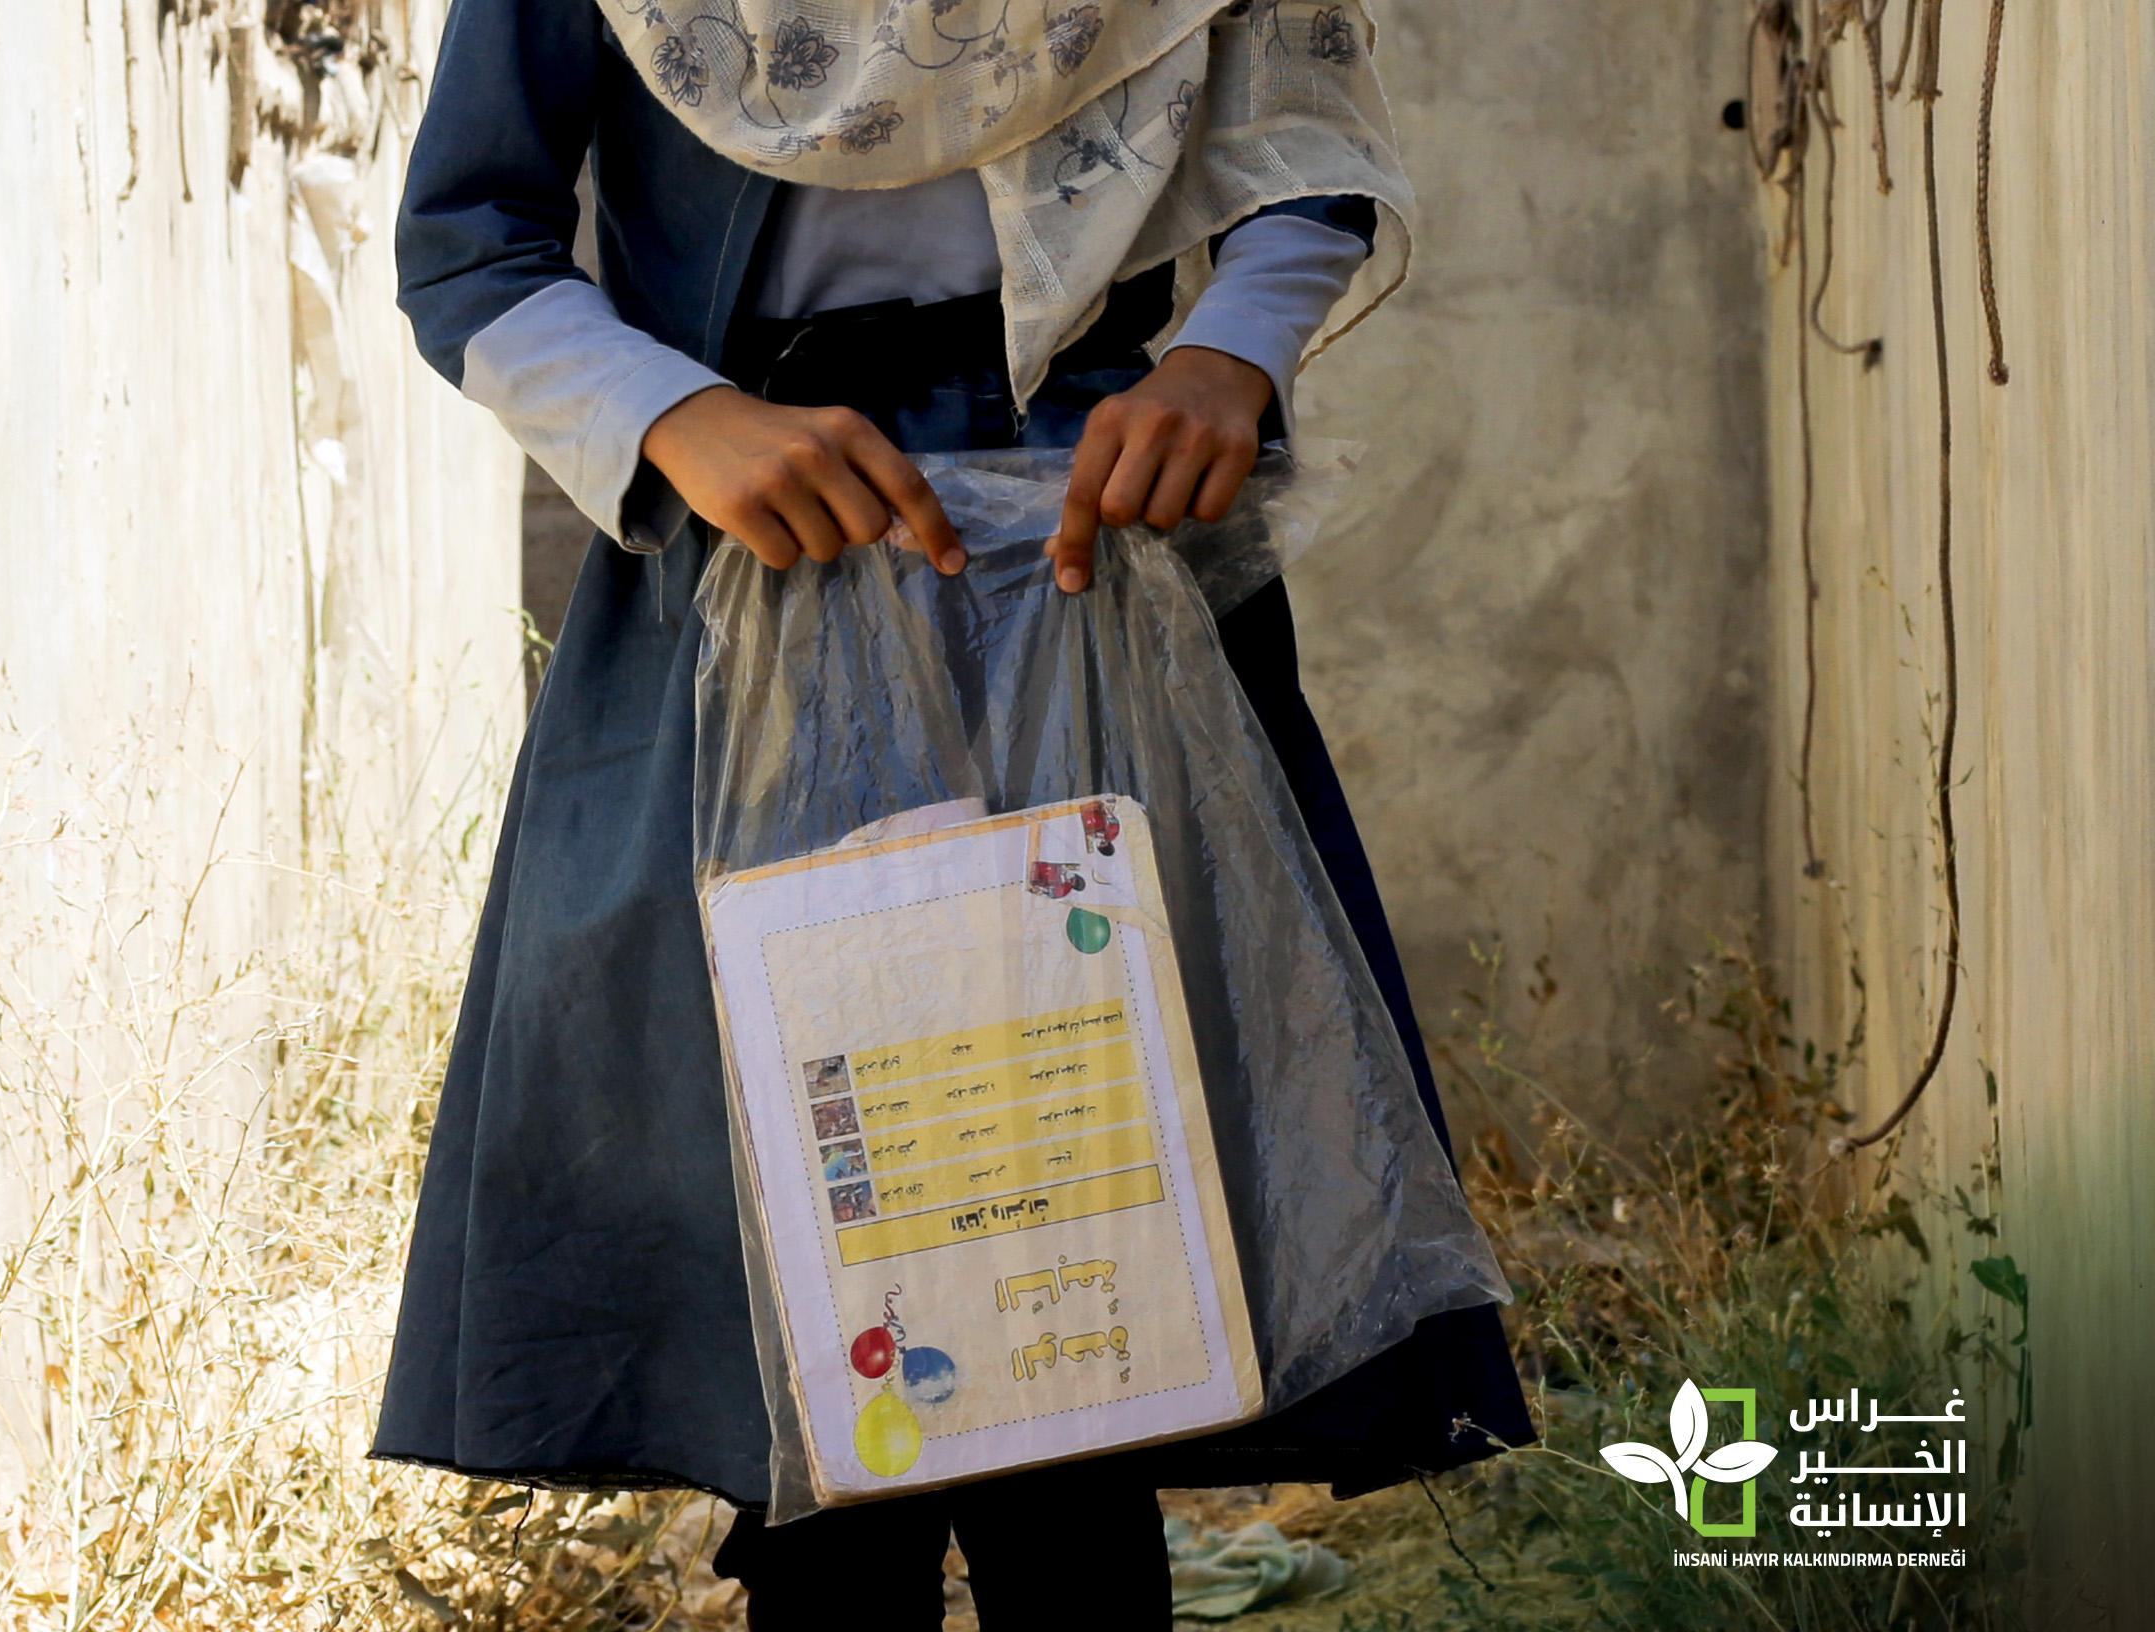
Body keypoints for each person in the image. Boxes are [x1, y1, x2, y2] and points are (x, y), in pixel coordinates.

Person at [370, 0, 1534, 1623]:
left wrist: (1226, 354)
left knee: (1097, 1246)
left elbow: (1302, 141)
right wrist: (682, 423)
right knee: (813, 1252)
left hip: (1093, 563)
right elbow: (467, 243)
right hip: (758, 580)